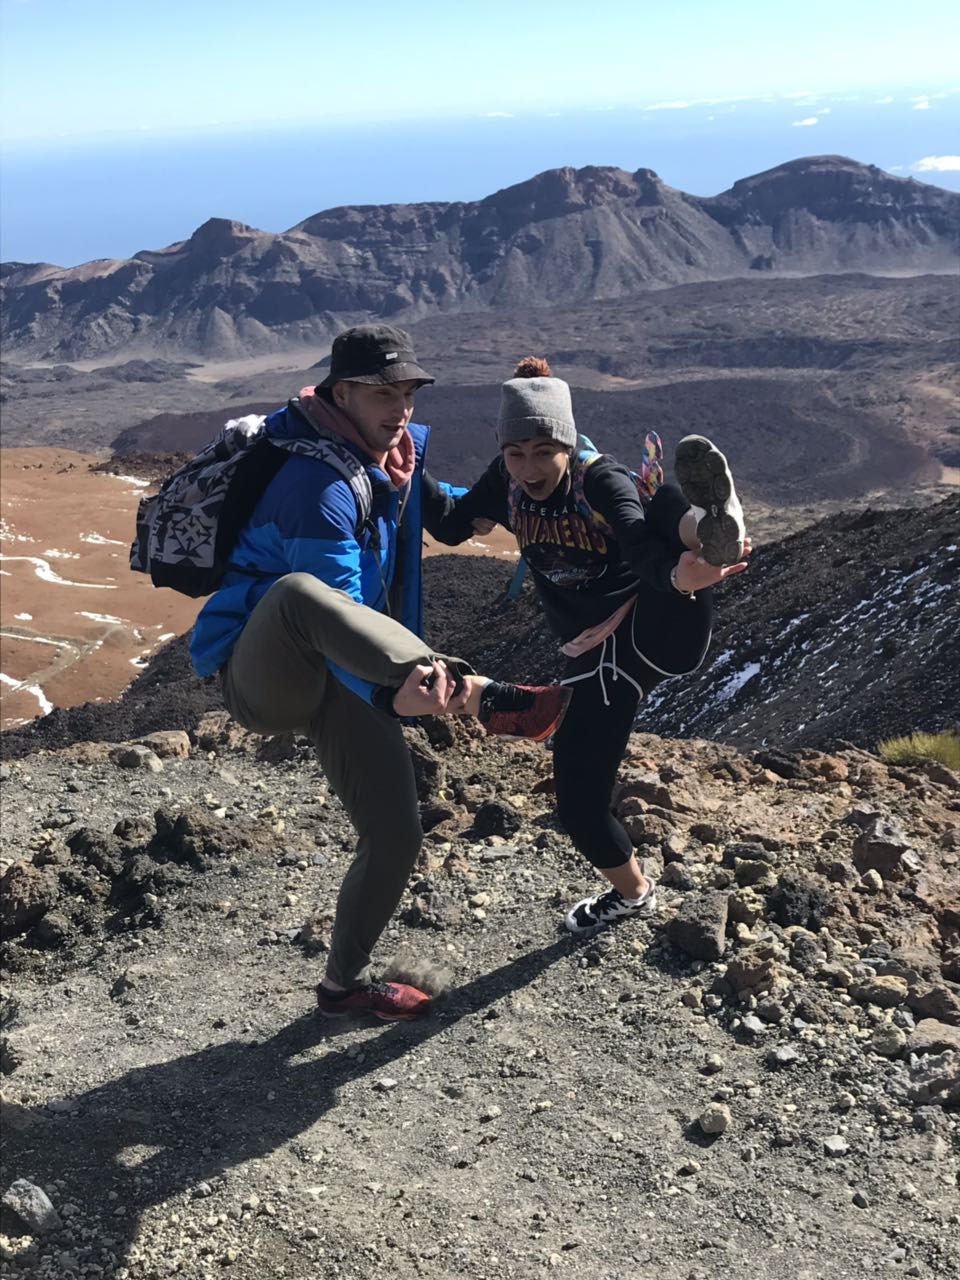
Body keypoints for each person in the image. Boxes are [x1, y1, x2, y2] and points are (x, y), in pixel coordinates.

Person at [189, 327, 570, 1020]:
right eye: (381, 394)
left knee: (396, 833)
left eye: (406, 393)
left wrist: (542, 457)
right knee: (300, 594)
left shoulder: (389, 462)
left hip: (354, 674)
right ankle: (479, 695)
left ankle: (341, 988)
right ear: (341, 395)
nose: (399, 409)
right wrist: (396, 694)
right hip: (271, 676)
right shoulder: (315, 485)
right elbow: (336, 612)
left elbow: (448, 517)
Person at [429, 358, 750, 935]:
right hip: (595, 654)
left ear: (567, 443)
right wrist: (400, 471)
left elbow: (636, 545)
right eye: (515, 452)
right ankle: (633, 893)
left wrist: (677, 577)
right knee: (578, 803)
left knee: (656, 509)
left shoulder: (598, 480)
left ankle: (710, 526)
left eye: (543, 452)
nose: (529, 468)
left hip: (658, 624)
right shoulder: (507, 482)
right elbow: (452, 525)